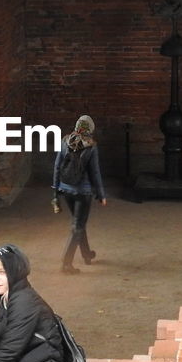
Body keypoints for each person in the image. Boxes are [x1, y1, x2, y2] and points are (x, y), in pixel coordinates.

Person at [51, 114, 107, 274]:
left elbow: (56, 166)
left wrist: (55, 192)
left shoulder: (65, 141)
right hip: (83, 192)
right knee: (78, 226)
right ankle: (66, 264)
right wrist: (101, 194)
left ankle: (86, 254)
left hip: (65, 189)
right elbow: (95, 173)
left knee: (79, 223)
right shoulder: (91, 146)